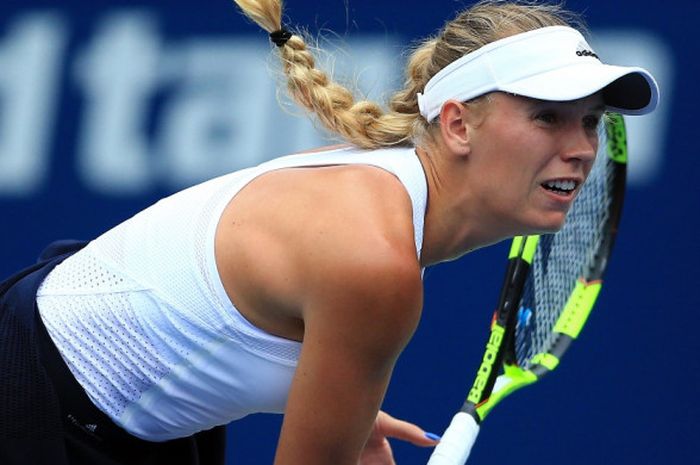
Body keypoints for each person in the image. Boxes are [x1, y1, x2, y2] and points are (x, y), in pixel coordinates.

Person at [0, 1, 659, 464]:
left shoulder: (386, 197)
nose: (580, 148)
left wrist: (343, 409)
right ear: (457, 124)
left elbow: (214, 309)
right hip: (38, 401)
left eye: (589, 122)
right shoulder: (374, 262)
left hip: (93, 384)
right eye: (549, 118)